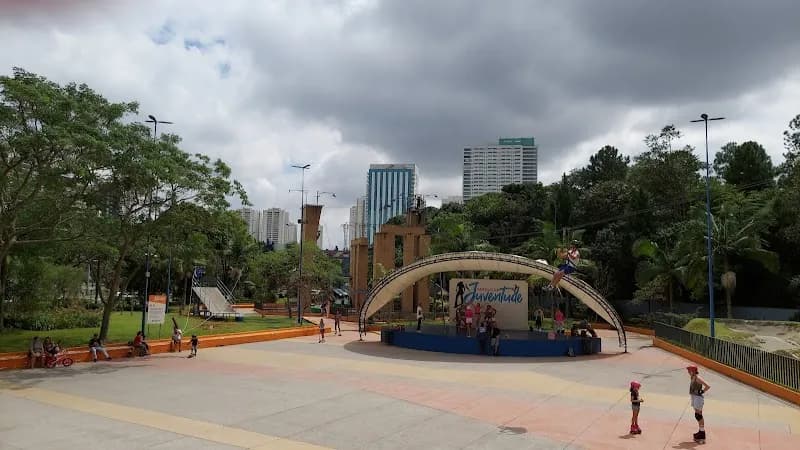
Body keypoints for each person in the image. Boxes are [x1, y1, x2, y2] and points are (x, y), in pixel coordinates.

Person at [688, 365, 711, 443]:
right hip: (695, 397)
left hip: (698, 398)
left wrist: (702, 391)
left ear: (693, 371)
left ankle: (702, 434)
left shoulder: (698, 378)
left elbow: (708, 386)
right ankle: (701, 432)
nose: (688, 372)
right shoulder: (693, 377)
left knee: (698, 415)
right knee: (697, 415)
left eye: (689, 370)